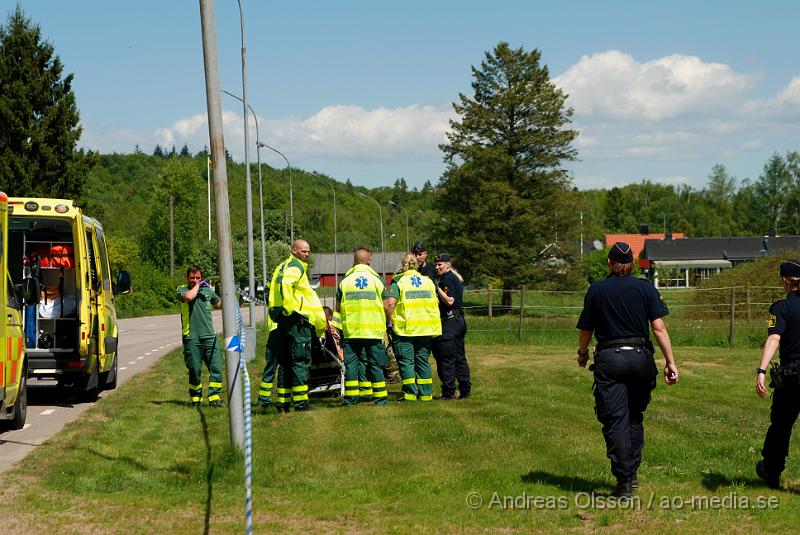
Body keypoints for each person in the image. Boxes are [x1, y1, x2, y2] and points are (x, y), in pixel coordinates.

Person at [576, 242, 679, 498]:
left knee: (615, 419)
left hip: (610, 359)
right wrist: (670, 362)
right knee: (634, 416)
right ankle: (631, 474)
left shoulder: (597, 290)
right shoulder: (645, 288)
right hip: (641, 359)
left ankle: (624, 480)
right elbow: (659, 328)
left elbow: (586, 329)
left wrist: (582, 353)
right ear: (631, 265)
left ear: (610, 264)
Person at [755, 260, 800, 489]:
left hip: (793, 377)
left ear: (784, 281)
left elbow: (774, 338)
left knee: (781, 426)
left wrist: (761, 371)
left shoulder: (781, 308)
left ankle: (772, 472)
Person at [269, 239, 327, 412]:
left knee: (285, 362)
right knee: (300, 362)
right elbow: (287, 284)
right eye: (303, 251)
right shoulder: (297, 266)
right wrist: (289, 308)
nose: (306, 254)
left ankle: (283, 403)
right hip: (296, 320)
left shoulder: (281, 267)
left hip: (282, 320)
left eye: (308, 251)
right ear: (294, 250)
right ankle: (301, 404)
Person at [383, 252, 441, 401]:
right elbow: (436, 302)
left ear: (403, 266)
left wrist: (389, 322)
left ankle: (410, 395)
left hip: (405, 329)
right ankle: (426, 395)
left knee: (407, 362)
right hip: (425, 328)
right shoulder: (427, 281)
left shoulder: (399, 281)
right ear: (416, 264)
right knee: (422, 360)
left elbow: (390, 304)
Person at [337, 247, 390, 405]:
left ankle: (352, 398)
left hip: (352, 331)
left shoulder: (344, 281)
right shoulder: (377, 280)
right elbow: (387, 305)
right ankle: (380, 398)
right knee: (375, 364)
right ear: (368, 260)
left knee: (351, 365)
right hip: (372, 331)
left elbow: (338, 308)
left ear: (354, 261)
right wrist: (389, 323)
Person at [177, 265, 224, 407]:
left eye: (198, 277)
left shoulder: (207, 290)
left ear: (201, 277)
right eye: (192, 277)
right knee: (195, 370)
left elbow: (218, 303)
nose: (195, 280)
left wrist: (228, 297)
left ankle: (214, 398)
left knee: (216, 367)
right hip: (192, 338)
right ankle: (196, 399)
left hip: (209, 336)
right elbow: (189, 297)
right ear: (187, 278)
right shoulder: (182, 290)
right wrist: (198, 286)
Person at [431, 253, 471, 400]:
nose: (437, 267)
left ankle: (449, 392)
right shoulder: (455, 278)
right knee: (459, 357)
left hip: (450, 322)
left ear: (448, 264)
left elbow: (449, 301)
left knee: (446, 358)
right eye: (436, 264)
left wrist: (436, 289)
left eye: (440, 264)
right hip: (459, 320)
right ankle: (465, 389)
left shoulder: (446, 279)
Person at [256, 261, 286, 408]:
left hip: (274, 327)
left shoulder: (273, 278)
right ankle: (281, 398)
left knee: (272, 365)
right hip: (280, 327)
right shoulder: (286, 277)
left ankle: (264, 399)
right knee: (282, 365)